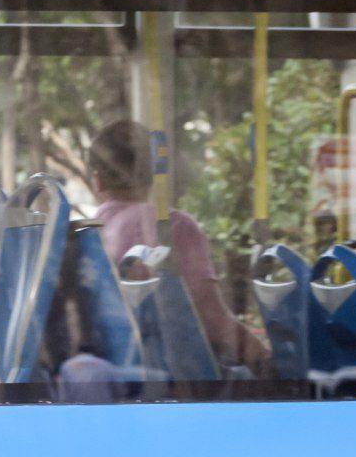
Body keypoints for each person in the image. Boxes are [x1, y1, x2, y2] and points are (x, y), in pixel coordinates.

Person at [90, 119, 267, 372]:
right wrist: (264, 357)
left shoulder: (87, 235)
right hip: (176, 384)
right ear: (152, 172)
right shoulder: (173, 227)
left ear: (98, 181)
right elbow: (212, 320)